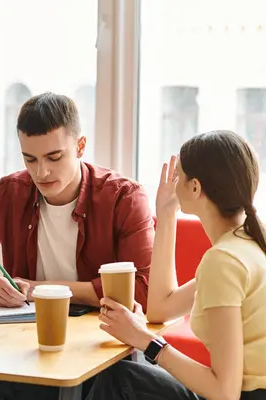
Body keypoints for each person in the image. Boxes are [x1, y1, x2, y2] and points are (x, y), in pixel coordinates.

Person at [0, 92, 155, 399]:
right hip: (27, 346)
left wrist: (42, 288)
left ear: (80, 146)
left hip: (100, 349)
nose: (41, 172)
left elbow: (142, 289)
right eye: (30, 159)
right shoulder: (7, 194)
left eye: (54, 157)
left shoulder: (124, 198)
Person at [86, 130, 266, 400]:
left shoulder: (224, 261)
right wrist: (166, 214)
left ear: (195, 187)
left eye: (177, 175)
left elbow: (225, 392)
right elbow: (161, 308)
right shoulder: (248, 245)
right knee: (125, 374)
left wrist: (146, 340)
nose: (171, 183)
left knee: (117, 379)